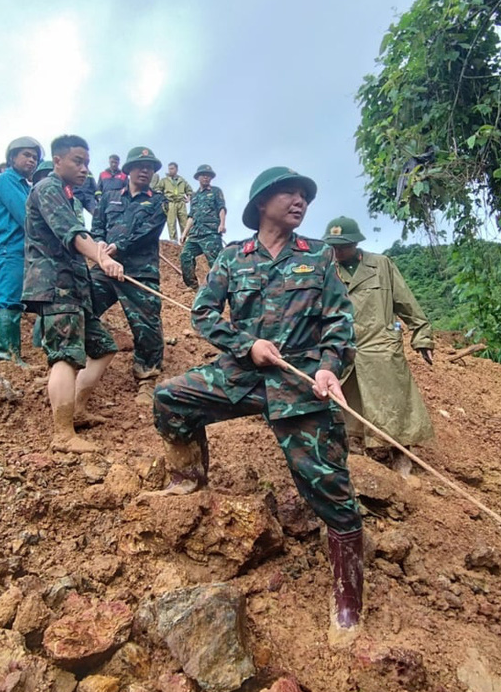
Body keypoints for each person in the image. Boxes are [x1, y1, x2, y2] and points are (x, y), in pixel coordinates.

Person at [152, 166, 364, 637]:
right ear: (261, 203)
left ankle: (348, 597)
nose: (300, 200)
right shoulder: (232, 258)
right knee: (171, 398)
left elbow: (340, 320)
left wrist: (329, 365)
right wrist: (244, 344)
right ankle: (188, 477)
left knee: (331, 490)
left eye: (304, 195)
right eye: (288, 192)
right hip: (243, 373)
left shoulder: (319, 257)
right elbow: (203, 313)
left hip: (301, 382)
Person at [23, 134, 124, 452]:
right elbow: (72, 235)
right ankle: (62, 434)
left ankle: (77, 410)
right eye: (77, 161)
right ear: (58, 161)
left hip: (75, 289)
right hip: (56, 287)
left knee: (104, 347)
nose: (84, 169)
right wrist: (101, 257)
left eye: (86, 163)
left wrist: (99, 249)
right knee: (65, 356)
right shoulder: (48, 189)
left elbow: (81, 235)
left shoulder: (68, 196)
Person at [323, 216, 436, 463]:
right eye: (333, 246)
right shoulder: (326, 271)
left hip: (380, 345)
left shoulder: (381, 265)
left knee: (393, 402)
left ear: (355, 243)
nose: (338, 250)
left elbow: (405, 302)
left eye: (342, 245)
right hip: (344, 346)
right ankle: (355, 454)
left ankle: (402, 455)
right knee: (346, 402)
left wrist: (422, 336)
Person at [91, 146, 168, 384]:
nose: (145, 171)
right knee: (80, 302)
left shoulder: (158, 202)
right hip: (105, 269)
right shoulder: (109, 197)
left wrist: (117, 247)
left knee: (147, 326)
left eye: (150, 168)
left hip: (140, 272)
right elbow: (97, 227)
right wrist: (101, 246)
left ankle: (147, 376)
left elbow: (148, 231)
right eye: (139, 167)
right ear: (128, 170)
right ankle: (80, 357)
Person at [0, 137, 41, 364]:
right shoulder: (6, 181)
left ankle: (35, 349)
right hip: (10, 249)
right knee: (9, 299)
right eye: (26, 155)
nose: (32, 160)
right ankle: (7, 356)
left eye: (35, 157)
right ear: (12, 158)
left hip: (23, 250)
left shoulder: (22, 185)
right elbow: (27, 217)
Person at [179, 164, 226, 289]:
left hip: (211, 233)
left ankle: (221, 288)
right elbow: (191, 216)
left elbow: (221, 208)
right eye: (203, 175)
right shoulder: (194, 196)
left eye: (208, 175)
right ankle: (193, 286)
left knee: (215, 263)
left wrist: (222, 224)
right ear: (198, 177)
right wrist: (184, 233)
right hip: (195, 234)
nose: (206, 177)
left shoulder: (216, 191)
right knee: (185, 255)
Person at [152, 161, 192, 242]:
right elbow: (157, 189)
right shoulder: (164, 180)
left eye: (172, 169)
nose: (170, 170)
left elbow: (189, 190)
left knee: (184, 222)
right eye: (169, 169)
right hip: (170, 202)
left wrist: (188, 198)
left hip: (181, 203)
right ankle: (174, 241)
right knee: (171, 223)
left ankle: (186, 240)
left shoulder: (182, 180)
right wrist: (162, 197)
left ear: (176, 169)